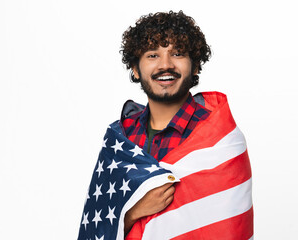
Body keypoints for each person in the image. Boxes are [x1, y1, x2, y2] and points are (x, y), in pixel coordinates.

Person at [78, 10, 253, 240]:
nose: (165, 65)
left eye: (177, 53)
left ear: (196, 66)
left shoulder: (220, 137)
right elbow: (97, 223)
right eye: (152, 55)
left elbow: (227, 228)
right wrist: (132, 212)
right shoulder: (121, 137)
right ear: (135, 69)